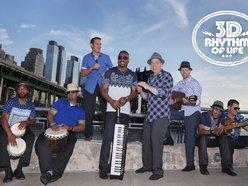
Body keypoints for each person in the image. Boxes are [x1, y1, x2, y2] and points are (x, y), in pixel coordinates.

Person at [35, 83, 85, 185]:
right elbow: (50, 114)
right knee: (40, 144)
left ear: (77, 94)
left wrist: (70, 127)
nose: (71, 94)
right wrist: (53, 123)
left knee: (68, 147)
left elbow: (82, 127)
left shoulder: (80, 110)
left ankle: (52, 173)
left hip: (69, 132)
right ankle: (49, 173)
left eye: (73, 92)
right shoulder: (60, 102)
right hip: (54, 128)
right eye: (69, 92)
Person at [98, 50, 137, 179]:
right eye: (120, 57)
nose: (122, 59)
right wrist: (111, 101)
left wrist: (126, 98)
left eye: (125, 57)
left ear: (128, 60)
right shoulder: (110, 72)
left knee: (120, 140)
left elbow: (134, 92)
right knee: (107, 139)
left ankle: (116, 168)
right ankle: (103, 169)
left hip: (125, 112)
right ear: (118, 59)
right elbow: (102, 90)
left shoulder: (133, 75)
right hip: (111, 110)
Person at [135, 52, 173, 180]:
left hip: (161, 115)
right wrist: (141, 92)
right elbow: (148, 98)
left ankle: (158, 171)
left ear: (161, 64)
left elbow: (163, 93)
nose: (154, 65)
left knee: (156, 141)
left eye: (156, 62)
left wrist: (146, 86)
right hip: (150, 115)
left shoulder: (167, 76)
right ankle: (147, 166)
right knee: (145, 140)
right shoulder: (150, 78)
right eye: (152, 63)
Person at [0, 82, 36, 183]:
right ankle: (8, 172)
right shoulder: (11, 102)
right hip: (7, 127)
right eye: (20, 89)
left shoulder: (30, 105)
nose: (22, 90)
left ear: (27, 91)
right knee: (2, 139)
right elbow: (3, 119)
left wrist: (27, 122)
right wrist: (9, 134)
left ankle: (19, 170)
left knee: (31, 137)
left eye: (24, 89)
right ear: (17, 91)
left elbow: (33, 120)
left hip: (21, 129)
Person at [172, 61, 202, 172]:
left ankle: (190, 164)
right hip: (182, 111)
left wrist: (186, 100)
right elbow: (172, 92)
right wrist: (173, 99)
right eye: (182, 70)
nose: (184, 72)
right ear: (180, 71)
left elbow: (197, 100)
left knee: (189, 137)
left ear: (190, 71)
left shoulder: (195, 84)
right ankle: (168, 138)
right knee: (164, 113)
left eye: (186, 70)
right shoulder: (180, 84)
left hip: (193, 112)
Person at [81, 37, 113, 140]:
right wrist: (91, 68)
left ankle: (107, 134)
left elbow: (112, 71)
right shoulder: (86, 58)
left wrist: (106, 74)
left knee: (106, 111)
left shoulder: (106, 57)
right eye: (97, 44)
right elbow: (83, 73)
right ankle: (88, 135)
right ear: (91, 45)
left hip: (102, 86)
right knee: (88, 112)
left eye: (100, 44)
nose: (99, 46)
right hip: (90, 87)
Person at [197, 100, 236, 176]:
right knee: (202, 138)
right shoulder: (204, 115)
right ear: (212, 109)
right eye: (216, 110)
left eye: (220, 111)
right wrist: (213, 132)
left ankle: (226, 167)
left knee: (224, 137)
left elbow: (223, 129)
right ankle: (203, 166)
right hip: (204, 139)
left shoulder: (221, 117)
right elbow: (200, 131)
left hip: (214, 139)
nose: (217, 113)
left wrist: (224, 130)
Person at [220, 99, 248, 174]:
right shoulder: (222, 115)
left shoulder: (239, 117)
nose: (237, 110)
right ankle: (228, 166)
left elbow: (246, 127)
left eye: (238, 108)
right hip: (225, 140)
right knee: (229, 140)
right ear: (229, 107)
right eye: (235, 108)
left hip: (237, 140)